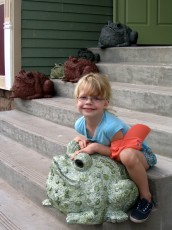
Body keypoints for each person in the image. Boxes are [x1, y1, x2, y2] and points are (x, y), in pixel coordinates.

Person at [71, 72, 157, 223]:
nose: (89, 102)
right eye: (83, 97)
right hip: (117, 151)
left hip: (140, 155)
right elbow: (93, 138)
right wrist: (82, 140)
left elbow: (118, 152)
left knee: (126, 156)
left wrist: (96, 147)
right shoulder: (80, 123)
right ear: (76, 100)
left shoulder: (111, 127)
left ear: (106, 103)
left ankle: (146, 198)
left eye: (96, 98)